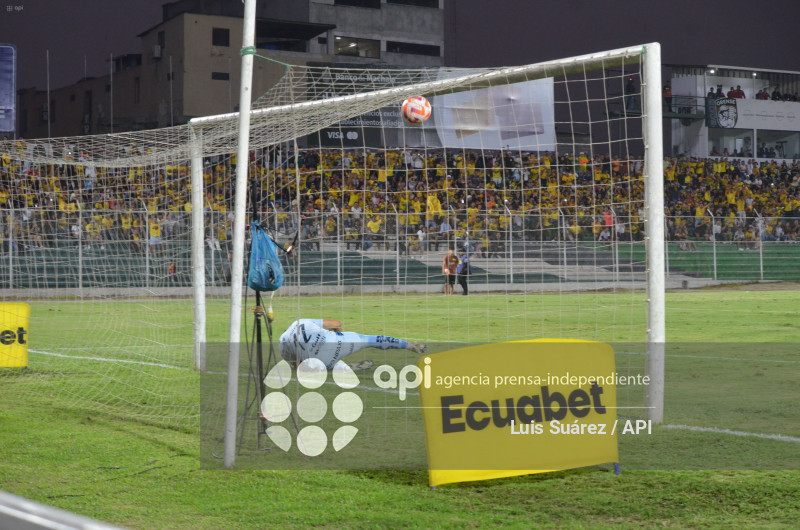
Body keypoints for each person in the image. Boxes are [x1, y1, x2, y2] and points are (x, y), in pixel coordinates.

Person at [278, 318, 426, 370]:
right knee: (369, 340)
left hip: (322, 360)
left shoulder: (282, 345)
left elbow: (297, 365)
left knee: (318, 367)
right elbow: (337, 323)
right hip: (338, 342)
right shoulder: (300, 321)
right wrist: (340, 334)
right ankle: (410, 346)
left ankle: (345, 367)